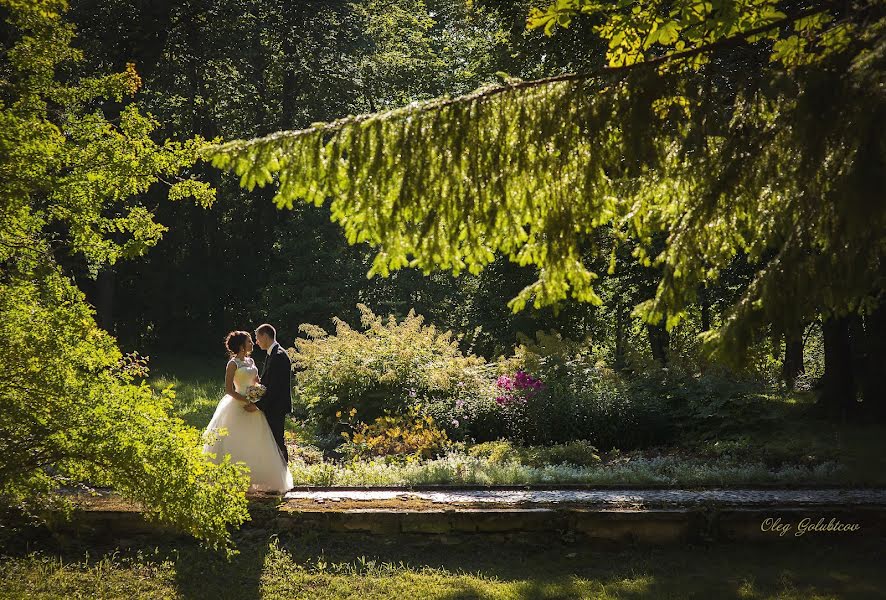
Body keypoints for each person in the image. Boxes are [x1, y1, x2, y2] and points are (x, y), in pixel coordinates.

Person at [202, 330, 293, 493]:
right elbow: (229, 390)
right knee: (235, 442)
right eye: (249, 341)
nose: (253, 343)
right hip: (238, 405)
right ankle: (235, 479)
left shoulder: (251, 361)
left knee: (256, 442)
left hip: (255, 406)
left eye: (253, 339)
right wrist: (247, 400)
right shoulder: (232, 364)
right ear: (241, 345)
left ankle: (254, 480)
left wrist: (257, 396)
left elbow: (259, 382)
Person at [252, 323, 293, 464]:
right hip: (273, 405)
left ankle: (283, 474)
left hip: (276, 406)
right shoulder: (273, 354)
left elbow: (275, 388)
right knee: (273, 441)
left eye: (257, 338)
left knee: (276, 441)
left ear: (265, 336)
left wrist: (258, 405)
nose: (256, 342)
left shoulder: (278, 355)